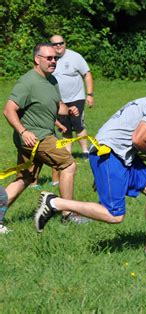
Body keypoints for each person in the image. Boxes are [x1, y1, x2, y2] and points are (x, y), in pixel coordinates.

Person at [34, 79, 146, 254]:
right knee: (114, 215)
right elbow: (138, 139)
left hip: (120, 155)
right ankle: (55, 202)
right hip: (110, 154)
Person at [1, 42, 78, 234]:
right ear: (37, 59)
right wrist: (23, 132)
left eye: (55, 58)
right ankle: (68, 213)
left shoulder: (51, 81)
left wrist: (69, 110)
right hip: (35, 137)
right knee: (68, 164)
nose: (53, 61)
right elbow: (8, 109)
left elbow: (56, 105)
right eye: (49, 58)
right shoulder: (27, 82)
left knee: (25, 178)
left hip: (42, 135)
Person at [50, 35, 94, 158]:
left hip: (76, 97)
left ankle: (85, 152)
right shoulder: (49, 59)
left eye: (61, 43)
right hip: (59, 100)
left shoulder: (75, 57)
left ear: (65, 43)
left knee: (78, 124)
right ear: (51, 46)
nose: (58, 45)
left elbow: (87, 74)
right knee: (65, 127)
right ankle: (67, 154)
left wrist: (90, 95)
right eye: (55, 44)